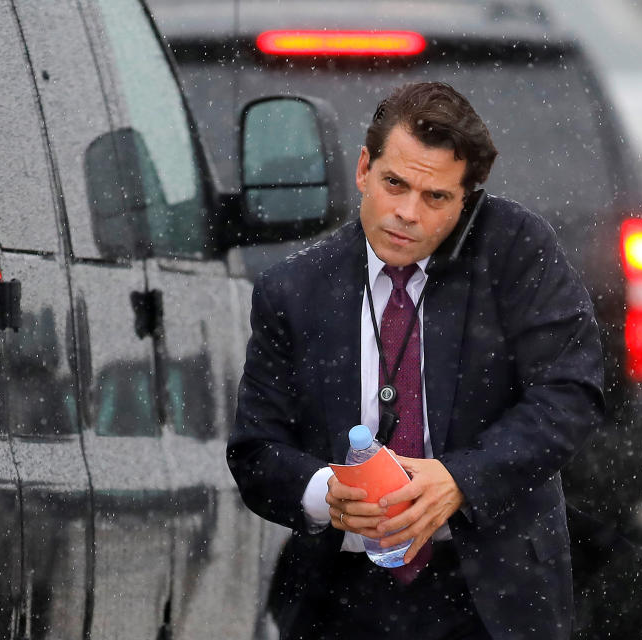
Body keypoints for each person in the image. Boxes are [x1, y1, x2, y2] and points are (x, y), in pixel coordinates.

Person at [228, 82, 604, 639]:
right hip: (339, 595)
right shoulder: (294, 288)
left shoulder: (514, 250)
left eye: (436, 198)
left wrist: (461, 478)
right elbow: (256, 451)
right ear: (363, 169)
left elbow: (571, 392)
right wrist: (324, 493)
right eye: (394, 184)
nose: (407, 213)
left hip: (493, 593)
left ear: (467, 200)